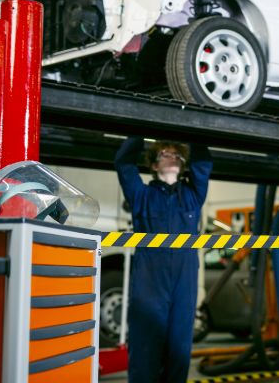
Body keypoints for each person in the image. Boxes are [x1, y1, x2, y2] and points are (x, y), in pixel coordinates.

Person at [115, 137, 213, 383]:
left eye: (176, 154)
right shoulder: (141, 195)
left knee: (179, 348)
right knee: (145, 347)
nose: (171, 157)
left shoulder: (193, 196)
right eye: (164, 154)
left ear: (182, 165)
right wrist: (139, 131)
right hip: (150, 280)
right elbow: (123, 162)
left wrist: (193, 131)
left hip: (184, 280)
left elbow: (203, 164)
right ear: (154, 166)